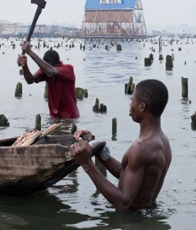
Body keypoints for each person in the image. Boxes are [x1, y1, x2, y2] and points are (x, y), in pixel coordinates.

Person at [70, 79, 171, 211]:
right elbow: (129, 175)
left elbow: (123, 203)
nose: (130, 106)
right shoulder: (164, 142)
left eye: (132, 100)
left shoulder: (141, 147)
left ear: (142, 107)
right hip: (147, 213)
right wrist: (98, 150)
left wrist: (86, 163)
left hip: (133, 221)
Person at [17, 41, 79, 119]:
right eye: (45, 68)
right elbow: (30, 80)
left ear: (57, 64)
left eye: (46, 67)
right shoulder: (45, 71)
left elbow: (52, 72)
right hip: (54, 117)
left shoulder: (68, 69)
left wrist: (30, 52)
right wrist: (24, 65)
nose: (45, 70)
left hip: (70, 117)